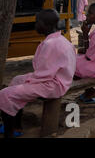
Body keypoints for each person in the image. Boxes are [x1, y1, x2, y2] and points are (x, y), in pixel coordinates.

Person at [0, 9, 76, 138]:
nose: (35, 25)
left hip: (53, 85)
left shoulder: (51, 44)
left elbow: (43, 75)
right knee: (16, 80)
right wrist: (26, 80)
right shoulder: (60, 40)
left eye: (37, 23)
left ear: (45, 25)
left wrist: (29, 80)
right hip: (57, 80)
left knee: (5, 94)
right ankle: (16, 126)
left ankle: (9, 133)